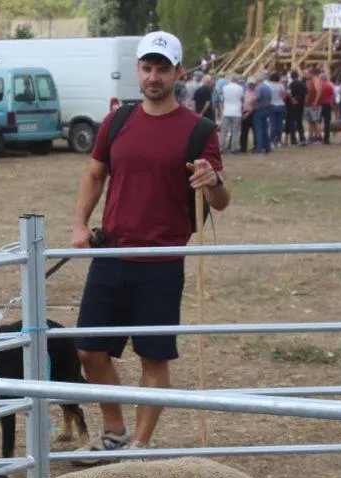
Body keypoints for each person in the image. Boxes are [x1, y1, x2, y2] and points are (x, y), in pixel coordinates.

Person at [70, 31, 229, 453]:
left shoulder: (199, 131)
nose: (154, 76)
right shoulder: (117, 121)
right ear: (138, 70)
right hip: (112, 252)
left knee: (153, 357)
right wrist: (79, 224)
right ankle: (115, 431)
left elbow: (220, 201)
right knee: (88, 351)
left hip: (162, 259)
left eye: (162, 68)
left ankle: (138, 447)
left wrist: (212, 181)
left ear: (179, 72)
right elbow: (94, 174)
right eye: (147, 67)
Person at [220, 74, 244, 152]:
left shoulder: (225, 87)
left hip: (226, 111)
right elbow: (242, 98)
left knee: (224, 131)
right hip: (236, 111)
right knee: (235, 132)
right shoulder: (240, 88)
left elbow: (223, 98)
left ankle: (221, 147)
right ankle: (233, 148)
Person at [286, 70, 307, 145]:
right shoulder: (303, 84)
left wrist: (293, 100)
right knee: (299, 121)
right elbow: (306, 94)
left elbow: (289, 93)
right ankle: (302, 138)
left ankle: (293, 139)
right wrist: (304, 102)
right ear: (298, 76)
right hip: (301, 104)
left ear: (291, 77)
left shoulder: (291, 84)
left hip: (293, 105)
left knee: (292, 122)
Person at [253, 74, 272, 153]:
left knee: (258, 129)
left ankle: (259, 148)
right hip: (267, 108)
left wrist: (253, 105)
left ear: (258, 80)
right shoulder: (267, 87)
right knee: (265, 129)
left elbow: (256, 98)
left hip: (259, 109)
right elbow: (270, 98)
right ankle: (267, 147)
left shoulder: (258, 87)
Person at [267, 72, 286, 148]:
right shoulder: (281, 85)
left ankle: (271, 141)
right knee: (280, 124)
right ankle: (278, 141)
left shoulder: (268, 85)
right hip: (280, 105)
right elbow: (284, 95)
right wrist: (281, 99)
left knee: (272, 124)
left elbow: (267, 96)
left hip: (272, 105)